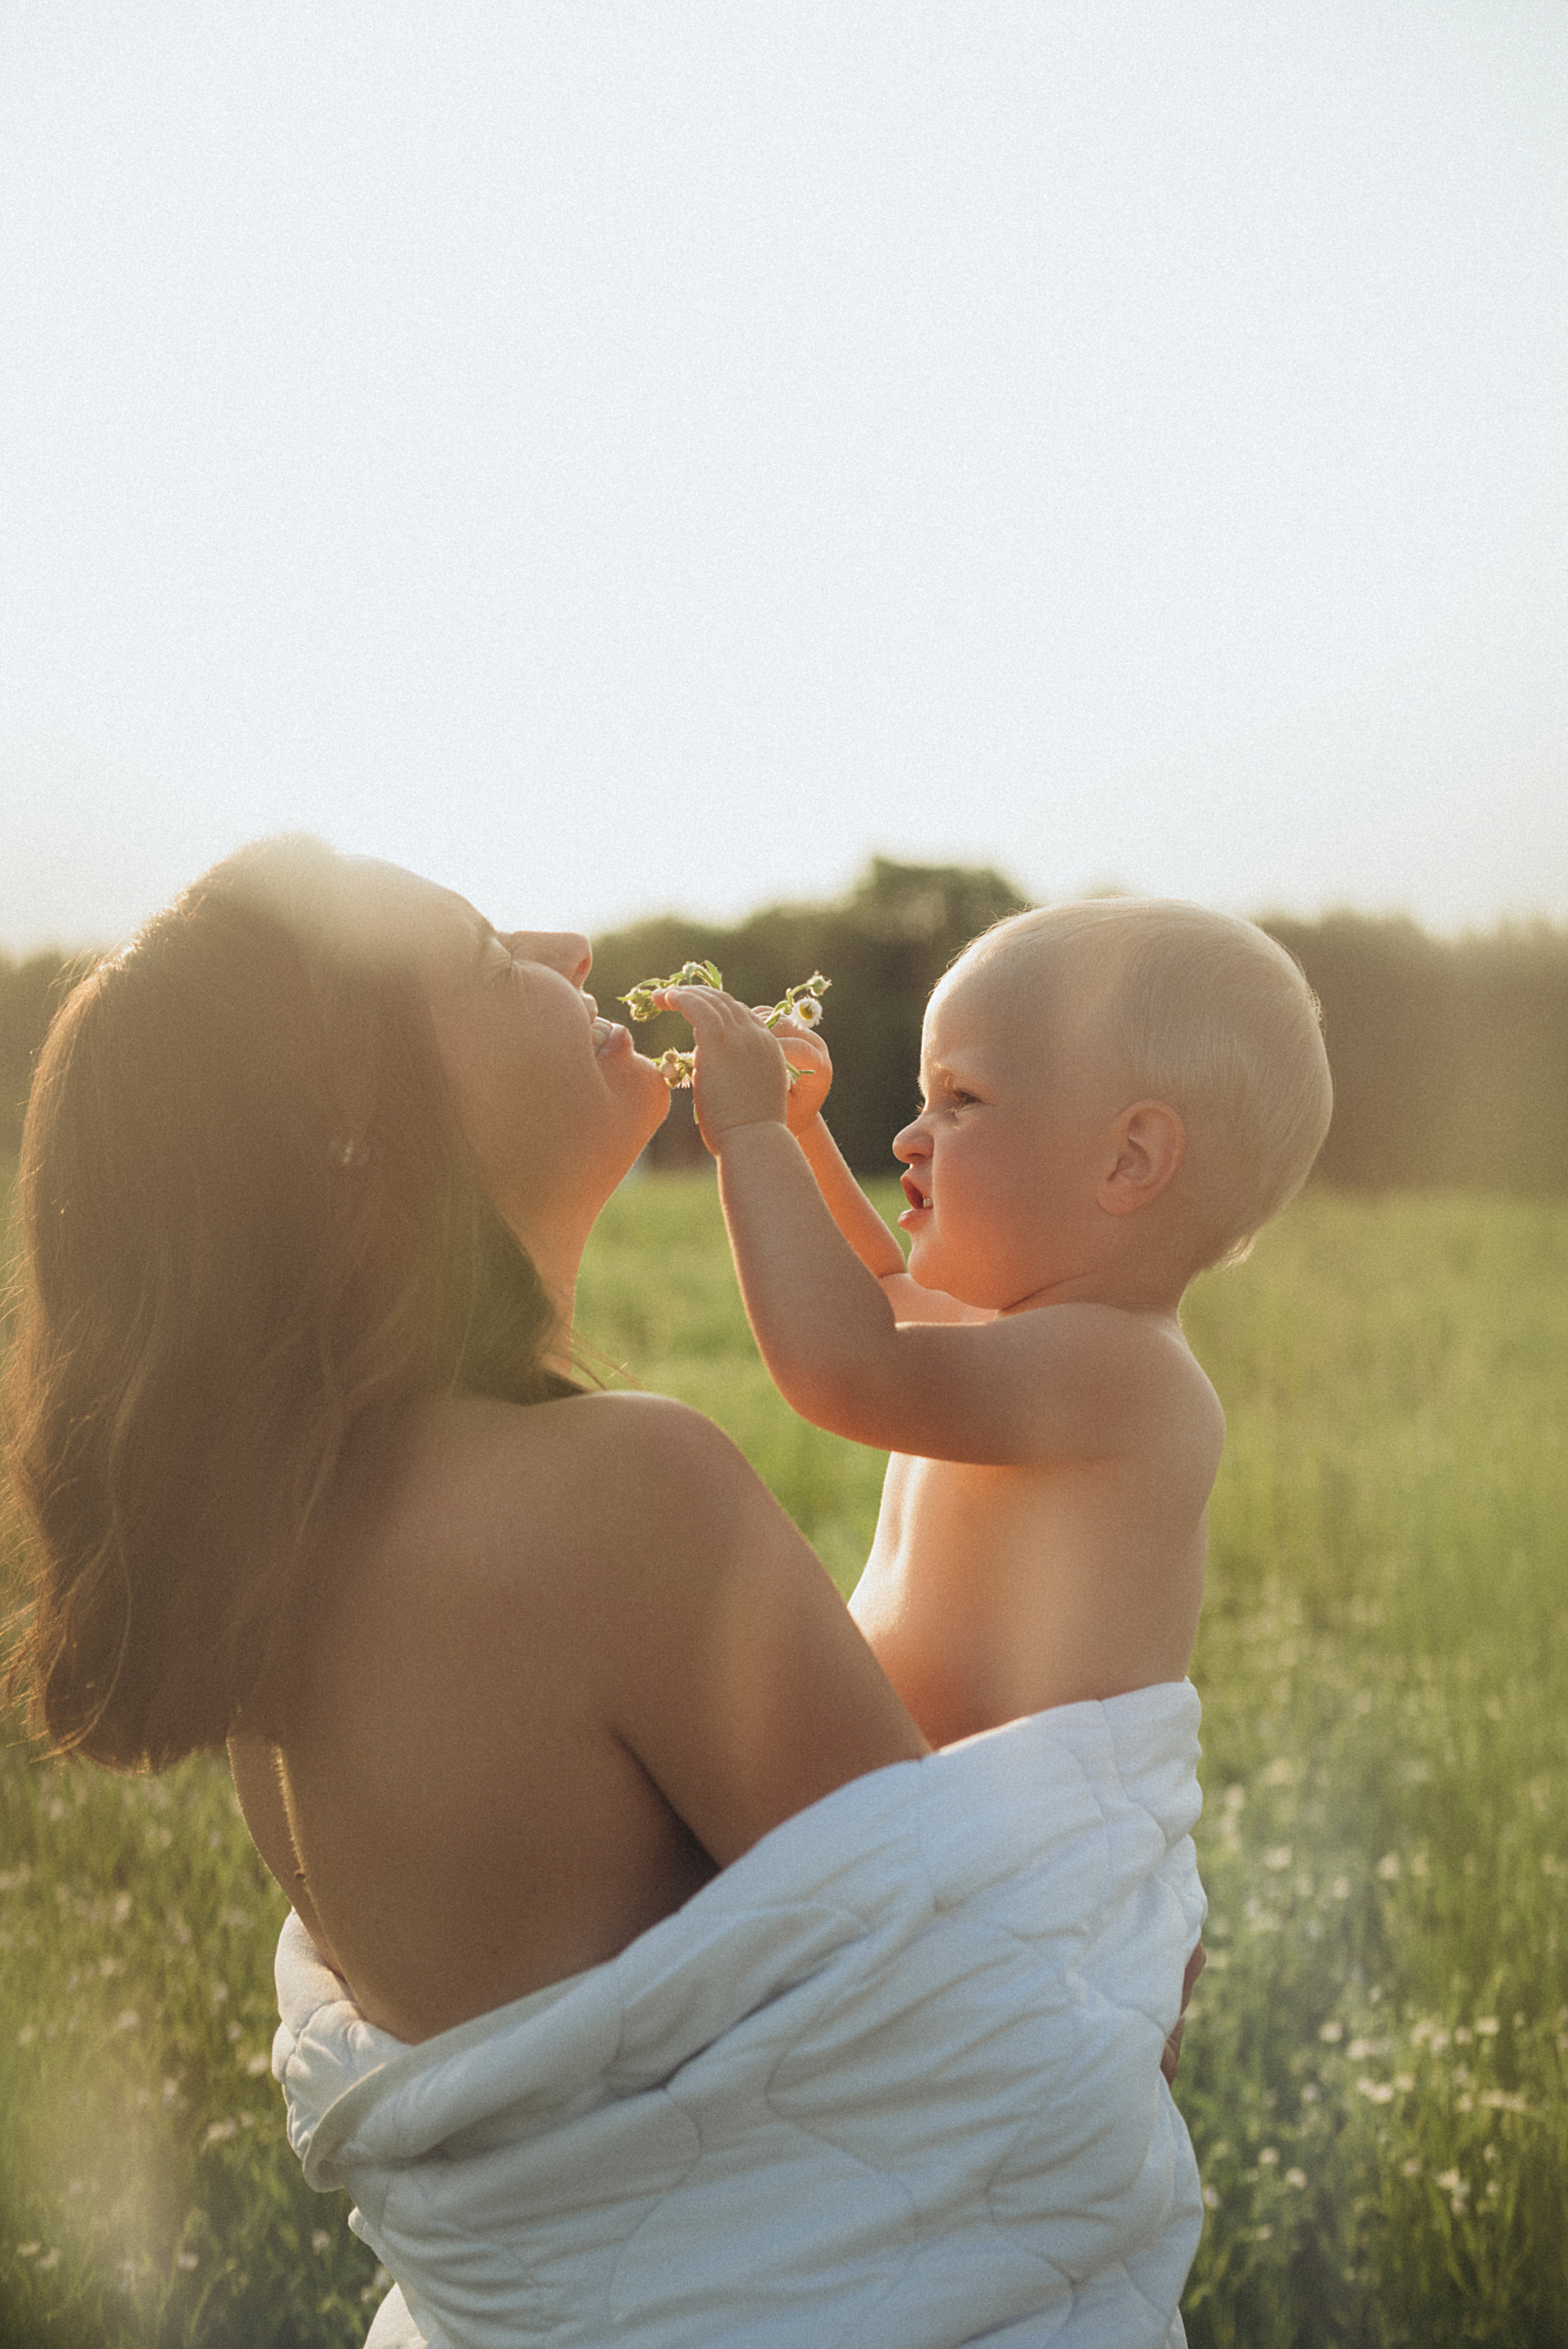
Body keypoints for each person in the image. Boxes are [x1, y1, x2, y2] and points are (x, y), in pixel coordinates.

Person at [4, 846, 1213, 2348]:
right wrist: (1119, 1948)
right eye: (479, 954)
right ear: (358, 1128)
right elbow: (990, 2028)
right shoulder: (618, 1494)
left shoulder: (283, 1570)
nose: (567, 944)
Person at [660, 897, 1333, 1749]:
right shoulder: (1012, 1328)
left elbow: (849, 1366)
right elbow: (875, 1290)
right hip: (948, 1799)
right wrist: (798, 1132)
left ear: (1129, 1160)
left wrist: (750, 1131)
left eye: (962, 1099)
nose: (910, 1138)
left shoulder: (1126, 1368)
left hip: (1035, 1825)